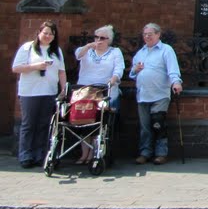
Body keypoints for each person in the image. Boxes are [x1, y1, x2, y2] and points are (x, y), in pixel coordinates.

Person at [11, 20, 67, 169]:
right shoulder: (28, 48)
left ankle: (39, 154)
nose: (48, 36)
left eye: (51, 34)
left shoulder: (56, 51)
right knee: (29, 124)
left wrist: (63, 89)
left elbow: (61, 71)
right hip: (30, 92)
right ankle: (25, 155)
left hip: (49, 91)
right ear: (39, 33)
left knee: (44, 124)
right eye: (45, 33)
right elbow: (16, 68)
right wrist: (36, 66)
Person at [128, 23, 182, 165]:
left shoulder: (166, 50)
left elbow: (172, 69)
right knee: (145, 127)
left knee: (158, 124)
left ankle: (161, 153)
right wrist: (135, 70)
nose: (147, 37)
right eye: (145, 34)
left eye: (150, 34)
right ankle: (145, 152)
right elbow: (132, 75)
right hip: (143, 94)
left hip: (160, 94)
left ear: (158, 35)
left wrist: (176, 82)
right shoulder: (141, 53)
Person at [73, 24, 125, 164]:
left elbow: (119, 69)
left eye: (102, 38)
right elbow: (78, 55)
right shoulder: (87, 50)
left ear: (109, 40)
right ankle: (84, 154)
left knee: (100, 123)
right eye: (96, 37)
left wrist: (113, 79)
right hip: (85, 92)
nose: (99, 40)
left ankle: (95, 152)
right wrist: (88, 46)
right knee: (84, 122)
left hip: (104, 92)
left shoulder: (115, 52)